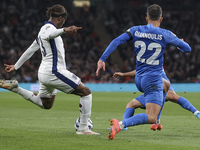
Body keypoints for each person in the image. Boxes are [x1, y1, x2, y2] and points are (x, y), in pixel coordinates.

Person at [0, 4, 99, 135]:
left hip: (44, 72)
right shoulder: (48, 28)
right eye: (64, 19)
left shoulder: (42, 30)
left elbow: (31, 49)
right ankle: (83, 128)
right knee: (86, 92)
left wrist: (16, 66)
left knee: (45, 104)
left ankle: (16, 89)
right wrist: (66, 29)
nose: (64, 21)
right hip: (54, 71)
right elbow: (50, 34)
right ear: (60, 18)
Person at [96, 4, 191, 140]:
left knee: (166, 86)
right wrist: (178, 42)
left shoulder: (135, 30)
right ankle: (121, 124)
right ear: (161, 19)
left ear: (146, 18)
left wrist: (102, 59)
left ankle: (156, 121)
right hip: (152, 79)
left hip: (139, 79)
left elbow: (117, 41)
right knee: (150, 116)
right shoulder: (165, 34)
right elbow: (187, 49)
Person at [113, 69, 200, 130]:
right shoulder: (148, 60)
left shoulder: (153, 58)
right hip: (153, 87)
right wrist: (123, 75)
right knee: (131, 104)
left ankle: (197, 112)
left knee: (171, 96)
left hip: (160, 83)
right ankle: (124, 125)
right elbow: (139, 71)